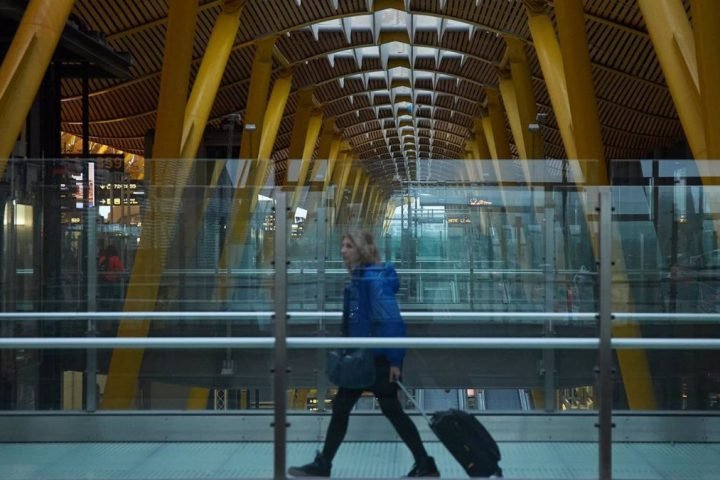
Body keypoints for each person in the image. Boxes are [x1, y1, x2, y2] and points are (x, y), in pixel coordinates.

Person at [288, 230, 440, 478]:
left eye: (348, 246)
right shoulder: (362, 278)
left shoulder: (372, 280)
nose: (342, 250)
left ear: (362, 251)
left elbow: (391, 321)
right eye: (342, 245)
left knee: (349, 407)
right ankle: (425, 463)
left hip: (374, 359)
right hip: (366, 356)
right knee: (380, 409)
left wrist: (395, 360)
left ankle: (324, 465)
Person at [97, 244, 124, 310]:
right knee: (112, 294)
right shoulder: (115, 258)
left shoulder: (102, 258)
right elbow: (120, 269)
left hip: (103, 279)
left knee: (103, 294)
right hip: (113, 279)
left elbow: (99, 267)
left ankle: (103, 307)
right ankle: (111, 308)